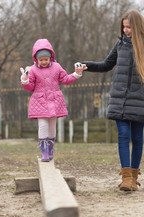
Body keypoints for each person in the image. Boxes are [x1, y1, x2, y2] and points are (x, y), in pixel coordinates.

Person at [81, 9, 144, 191]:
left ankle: (133, 177)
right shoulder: (120, 44)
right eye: (124, 27)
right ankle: (126, 179)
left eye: (129, 27)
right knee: (123, 135)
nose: (126, 30)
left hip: (139, 100)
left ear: (138, 27)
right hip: (119, 99)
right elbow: (107, 65)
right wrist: (87, 65)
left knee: (138, 138)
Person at [20, 38, 86, 162]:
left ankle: (50, 151)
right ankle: (44, 152)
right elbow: (30, 87)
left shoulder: (57, 67)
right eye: (41, 60)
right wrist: (25, 79)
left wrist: (76, 74)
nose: (44, 62)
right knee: (43, 125)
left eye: (46, 59)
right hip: (40, 102)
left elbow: (65, 79)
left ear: (51, 57)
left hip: (55, 101)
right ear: (36, 59)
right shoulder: (33, 70)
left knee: (52, 126)